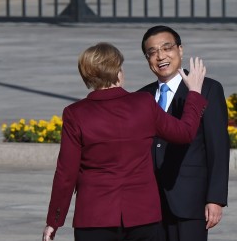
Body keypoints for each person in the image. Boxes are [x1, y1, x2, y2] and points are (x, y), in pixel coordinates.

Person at [43, 42, 207, 241]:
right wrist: (195, 93)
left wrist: (54, 220)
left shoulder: (75, 113)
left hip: (95, 217)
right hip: (143, 215)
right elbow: (185, 133)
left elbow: (66, 173)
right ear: (118, 71)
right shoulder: (144, 103)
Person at [138, 25, 229, 241]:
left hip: (190, 201)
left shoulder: (207, 89)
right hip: (149, 203)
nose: (160, 56)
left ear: (180, 49)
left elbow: (217, 145)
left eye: (166, 48)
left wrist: (215, 198)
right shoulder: (142, 96)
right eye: (152, 52)